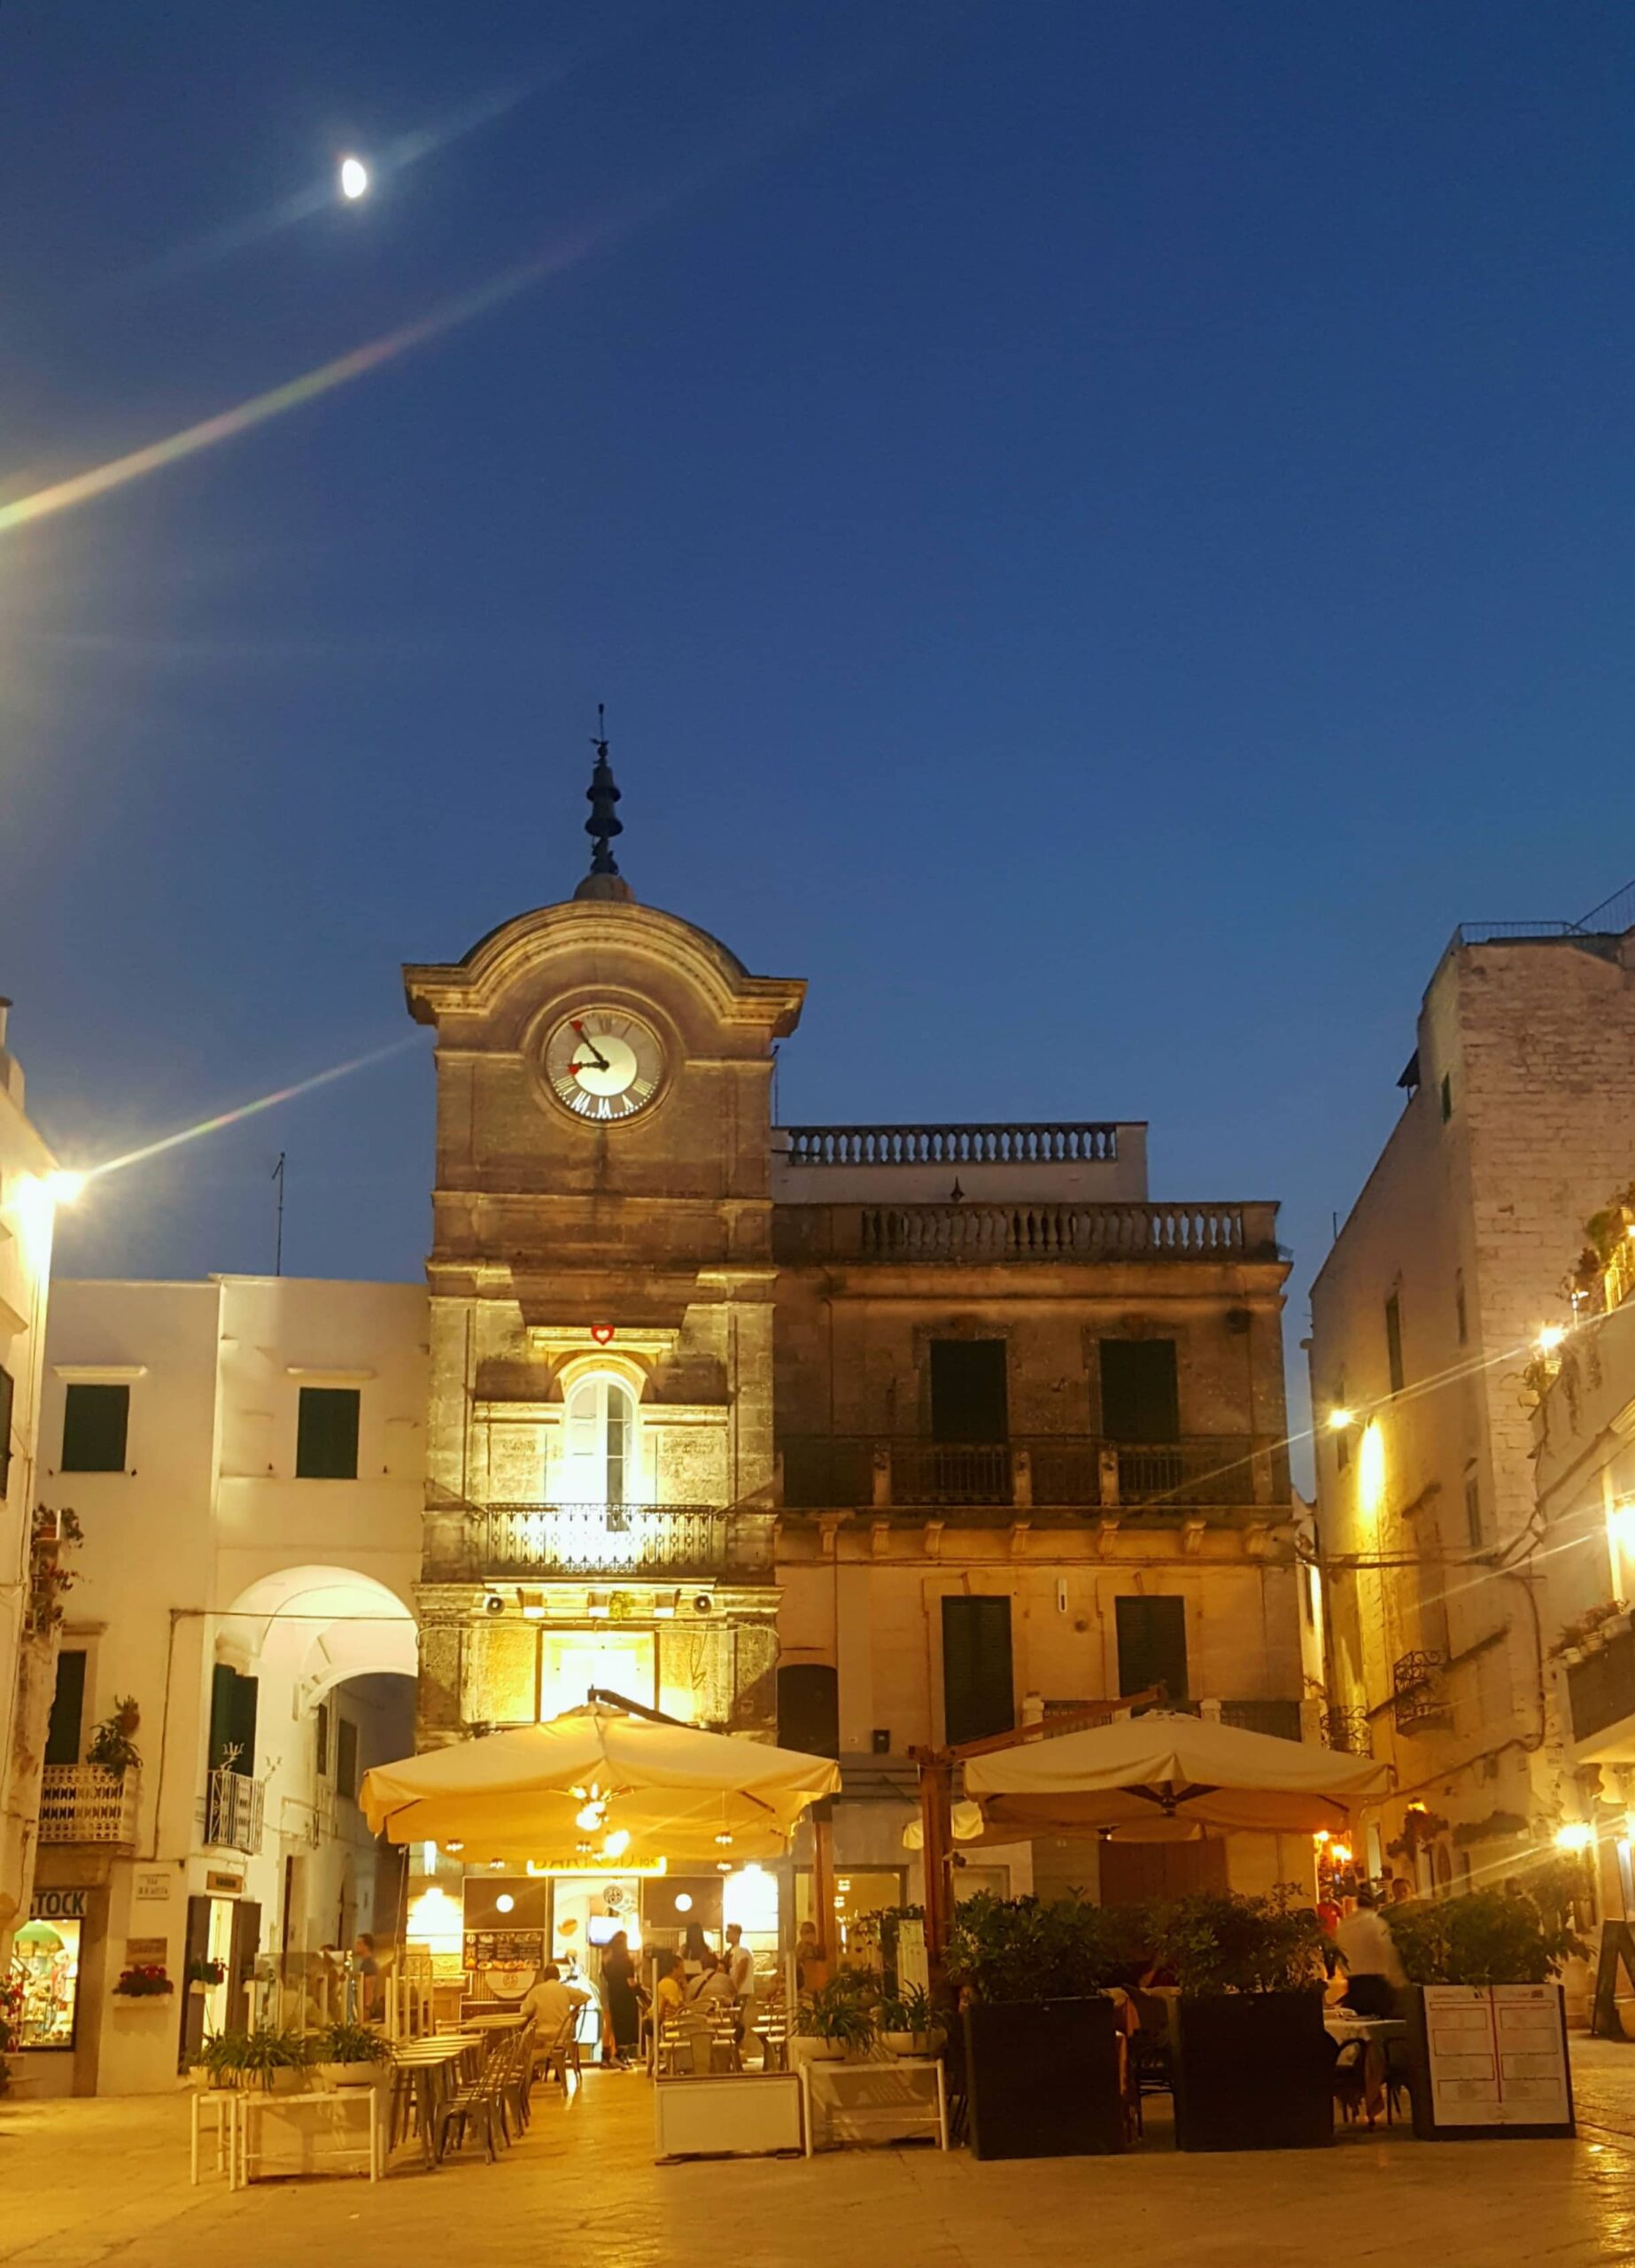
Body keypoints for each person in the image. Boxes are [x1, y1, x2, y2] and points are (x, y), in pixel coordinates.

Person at [1334, 1885, 1405, 2017]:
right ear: (1375, 1904)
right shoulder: (1378, 1923)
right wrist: (1399, 1983)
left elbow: (1339, 1954)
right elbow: (1389, 1954)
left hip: (1354, 1986)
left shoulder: (1344, 1925)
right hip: (1378, 1986)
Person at [600, 1930, 641, 2069]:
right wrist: (640, 1991)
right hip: (626, 1998)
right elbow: (631, 1981)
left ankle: (617, 2056)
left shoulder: (608, 1962)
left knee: (617, 2026)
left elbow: (607, 1979)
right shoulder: (627, 1961)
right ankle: (620, 2055)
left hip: (614, 1997)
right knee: (627, 2026)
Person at [522, 1961, 590, 2041]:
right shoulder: (565, 1989)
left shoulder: (536, 1991)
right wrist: (575, 2011)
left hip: (540, 2035)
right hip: (562, 2034)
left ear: (544, 1977)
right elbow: (586, 1997)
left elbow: (524, 2011)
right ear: (558, 1977)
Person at [353, 1932, 380, 2021]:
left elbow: (369, 1986)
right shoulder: (364, 1963)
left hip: (366, 2008)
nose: (356, 1946)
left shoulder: (369, 1964)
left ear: (366, 1946)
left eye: (359, 1943)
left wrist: (366, 2008)